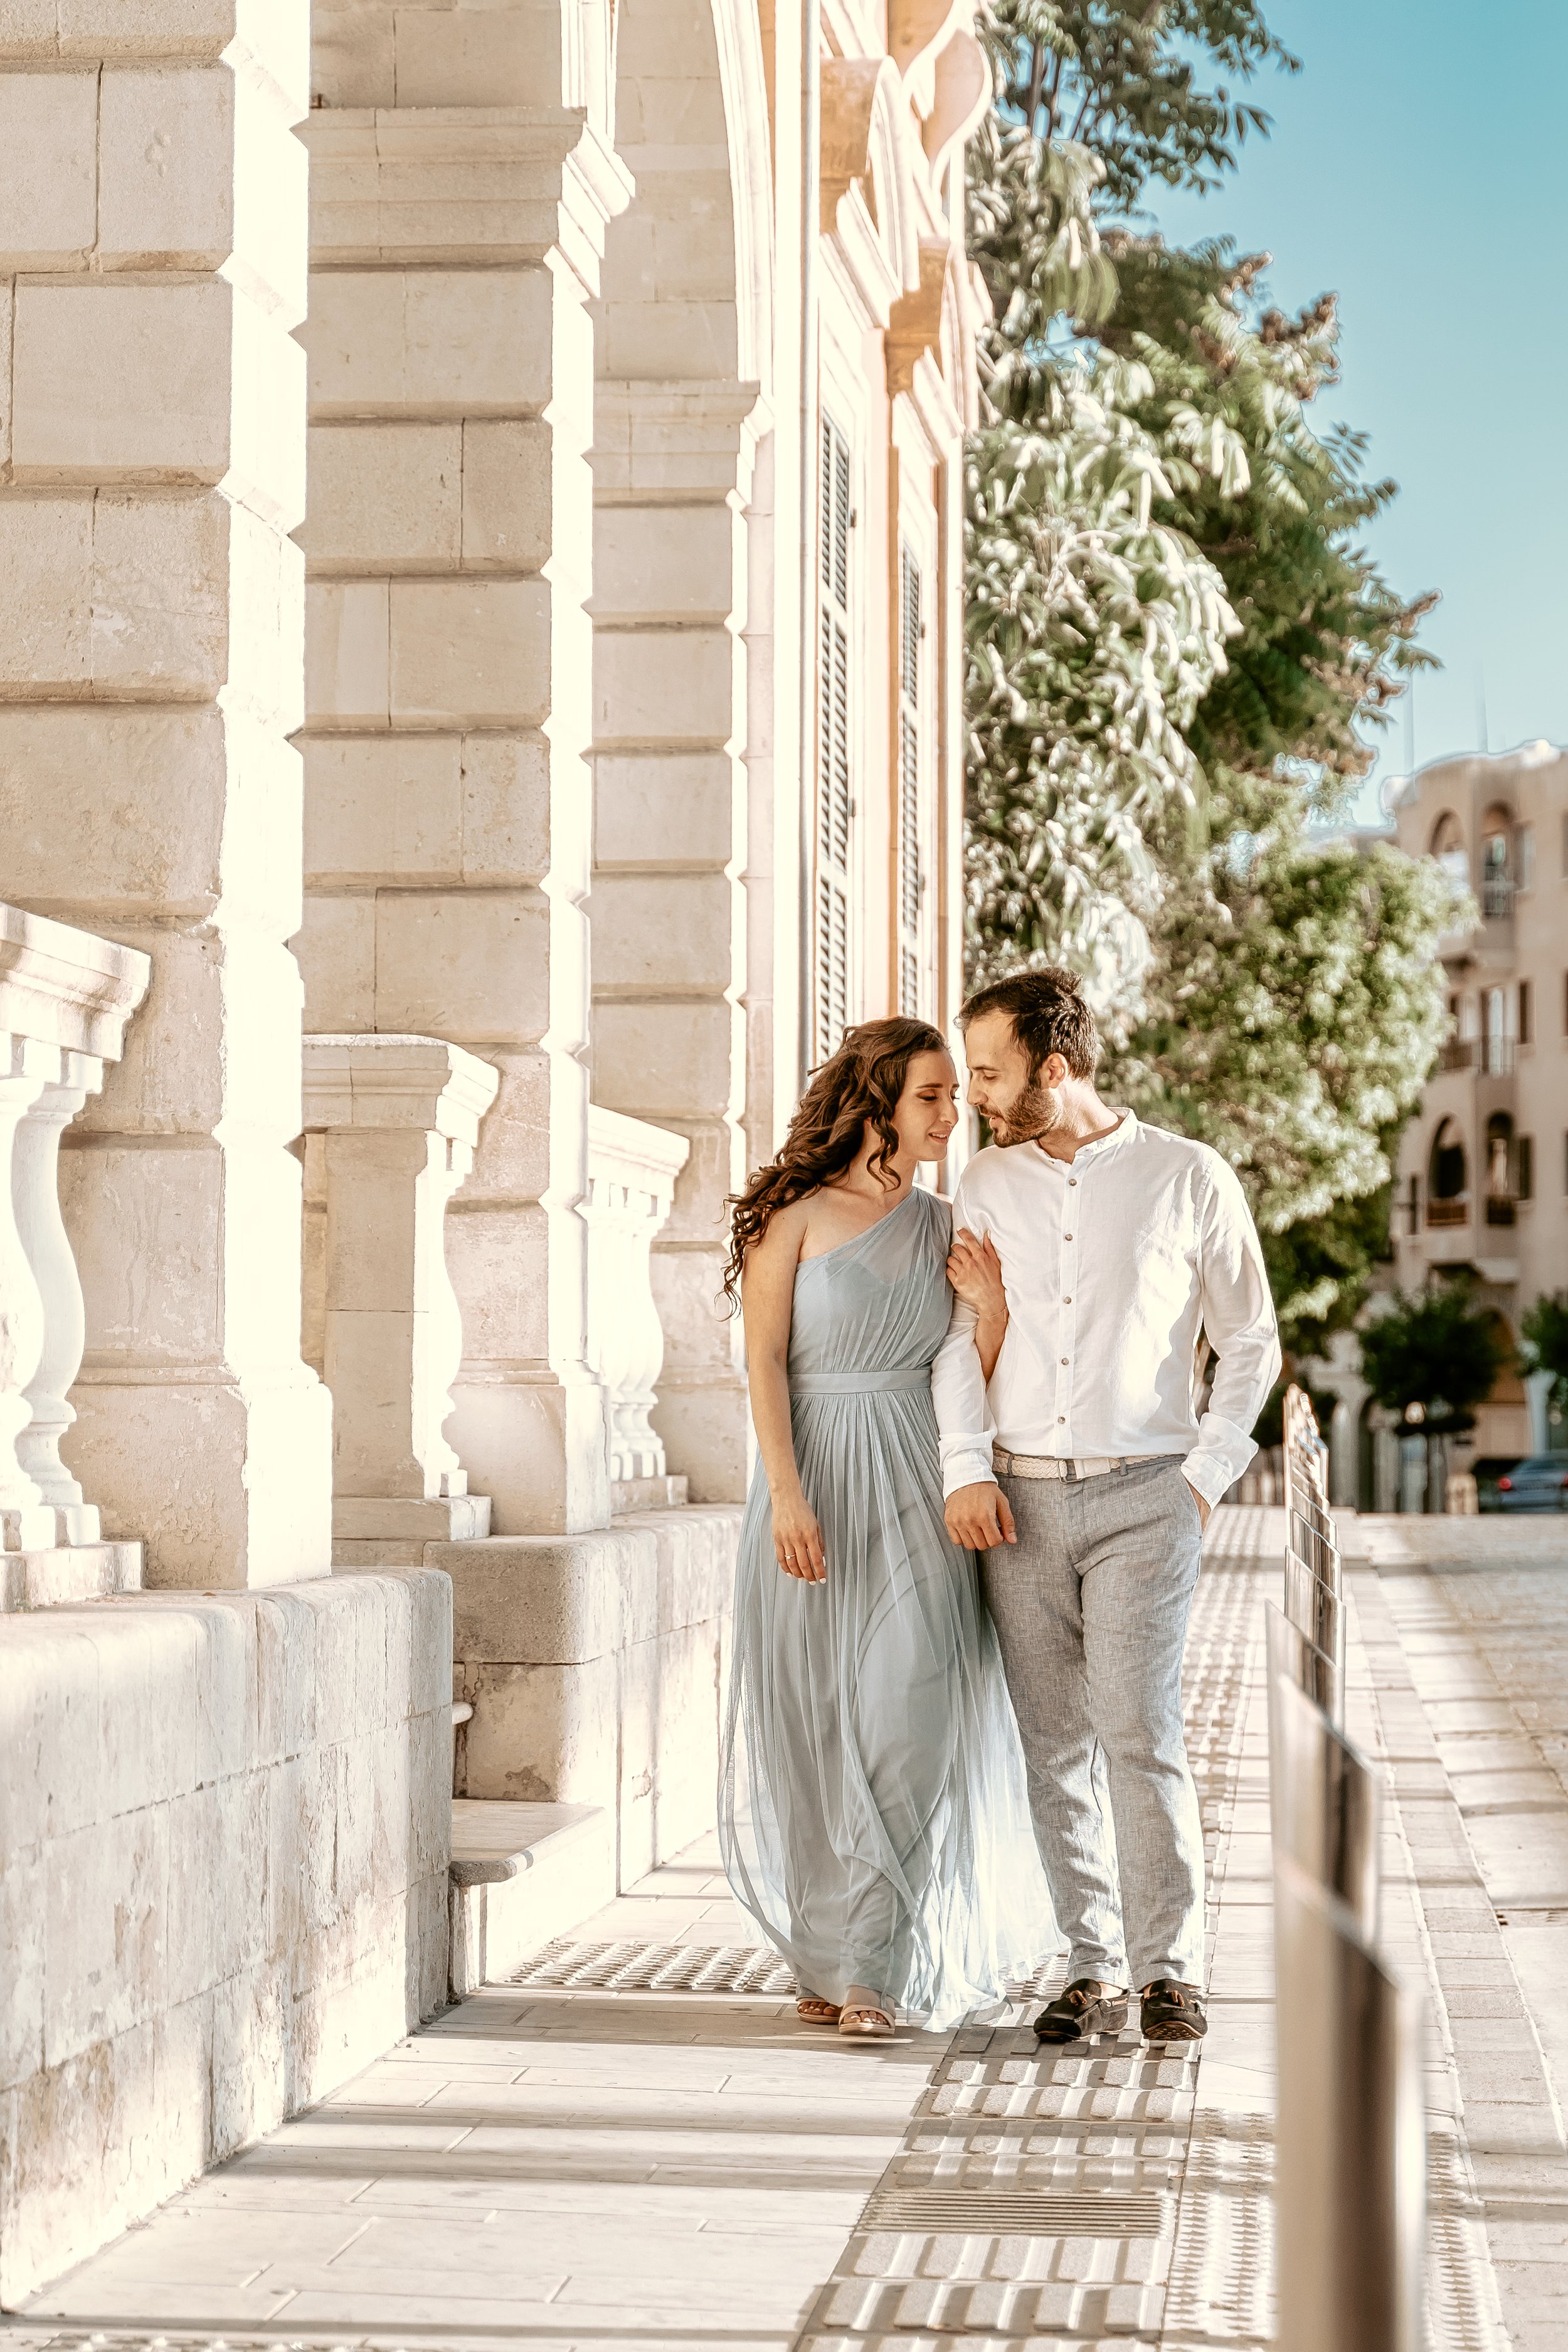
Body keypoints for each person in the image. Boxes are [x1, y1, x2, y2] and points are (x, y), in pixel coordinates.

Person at [933, 970, 1279, 2047]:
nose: (977, 1093)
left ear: (1055, 1063)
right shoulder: (983, 1184)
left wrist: (1202, 1475)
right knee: (1053, 1744)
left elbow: (1251, 1340)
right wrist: (965, 1465)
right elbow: (959, 1340)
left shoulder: (1189, 1175)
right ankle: (1088, 1966)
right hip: (1019, 1500)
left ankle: (1169, 1965)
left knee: (1140, 1728)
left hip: (1146, 1499)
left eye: (991, 1072)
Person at [718, 1017, 1050, 2037]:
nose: (954, 1114)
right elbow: (764, 1360)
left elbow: (962, 1364)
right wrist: (785, 1491)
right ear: (878, 1103)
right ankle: (830, 1951)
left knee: (913, 1714)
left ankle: (874, 1965)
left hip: (917, 1476)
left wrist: (990, 1312)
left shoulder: (947, 1220)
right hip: (813, 1473)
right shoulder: (796, 1213)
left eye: (956, 1094)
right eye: (933, 1096)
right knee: (817, 1726)